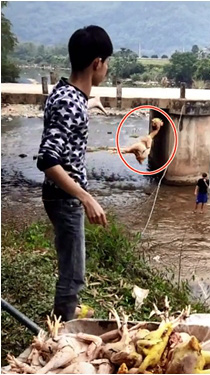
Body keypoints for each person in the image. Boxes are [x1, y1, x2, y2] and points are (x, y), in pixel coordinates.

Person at [36, 26, 113, 321]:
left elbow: (69, 110)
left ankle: (68, 308)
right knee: (73, 272)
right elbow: (48, 159)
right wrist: (86, 197)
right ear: (97, 63)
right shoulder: (71, 103)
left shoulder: (67, 94)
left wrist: (88, 103)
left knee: (70, 262)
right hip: (66, 198)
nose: (106, 68)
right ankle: (62, 329)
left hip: (61, 196)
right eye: (106, 63)